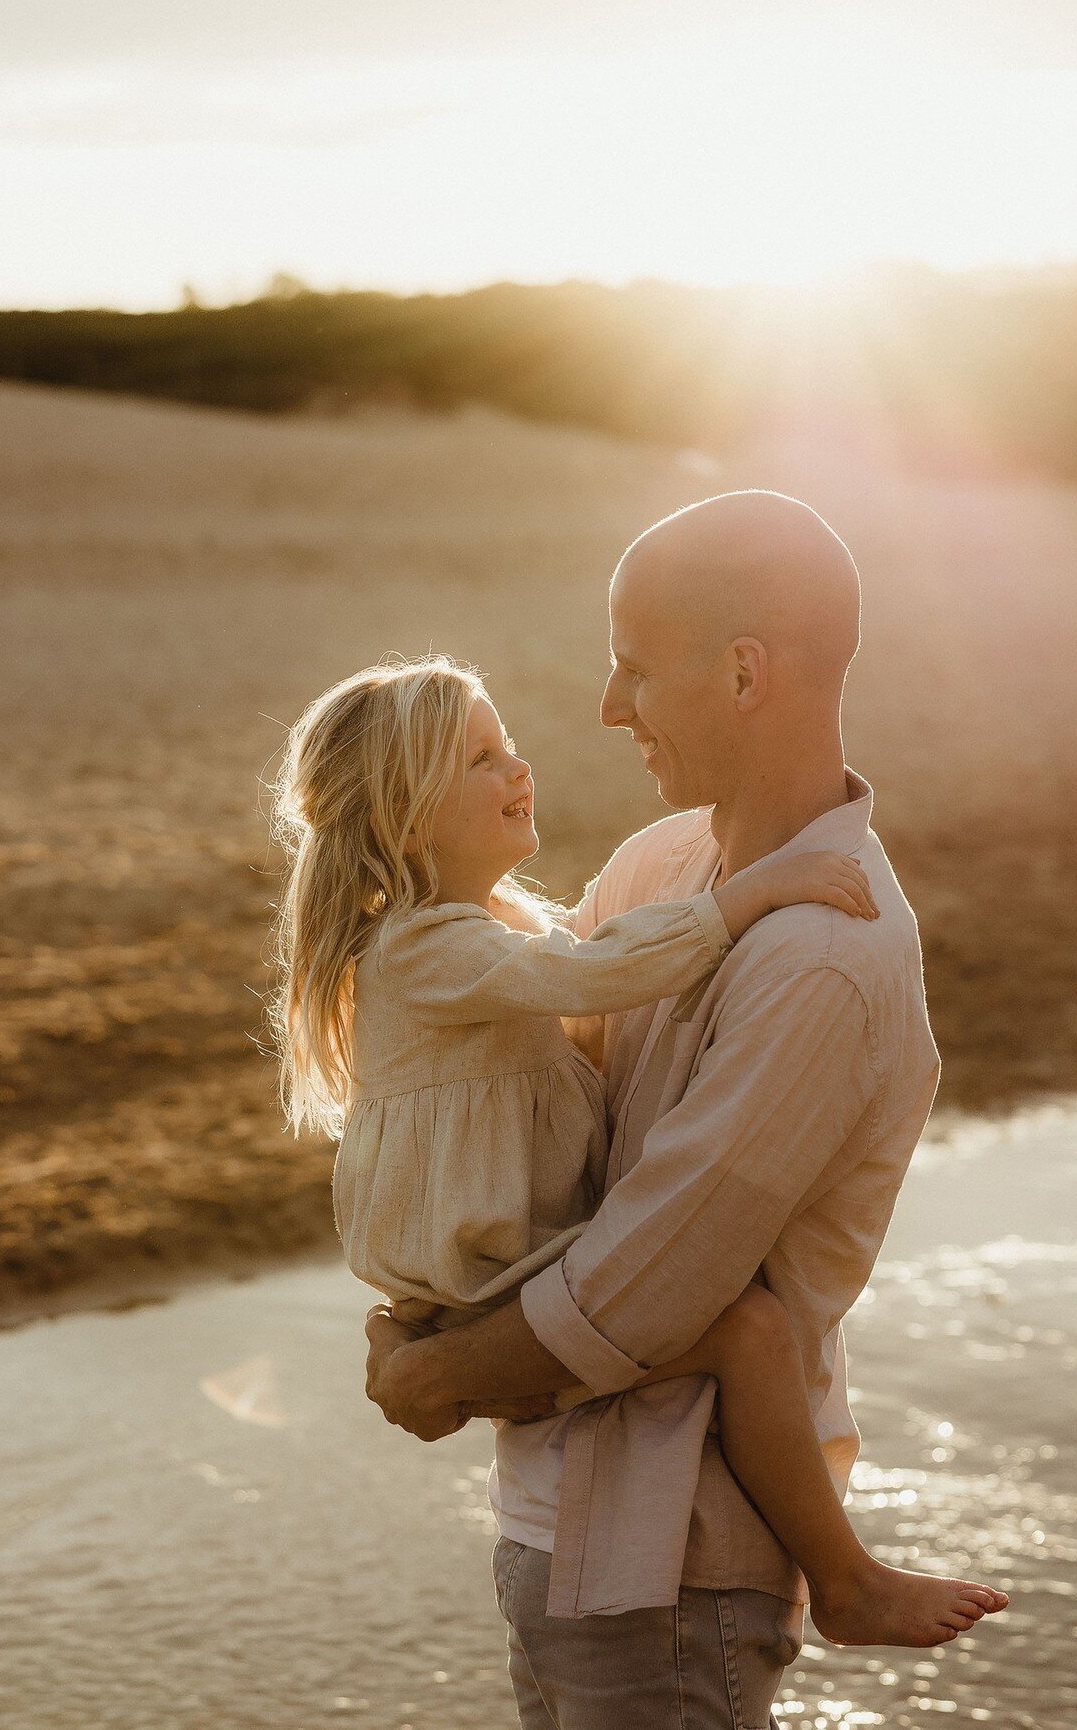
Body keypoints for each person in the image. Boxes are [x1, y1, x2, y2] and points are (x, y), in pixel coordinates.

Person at [361, 492, 1008, 1727]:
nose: (609, 708)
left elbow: (649, 1285)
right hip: (553, 1526)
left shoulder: (823, 956)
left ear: (745, 673)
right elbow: (526, 1119)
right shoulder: (661, 867)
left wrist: (430, 1375)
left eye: (634, 668)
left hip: (673, 1571)